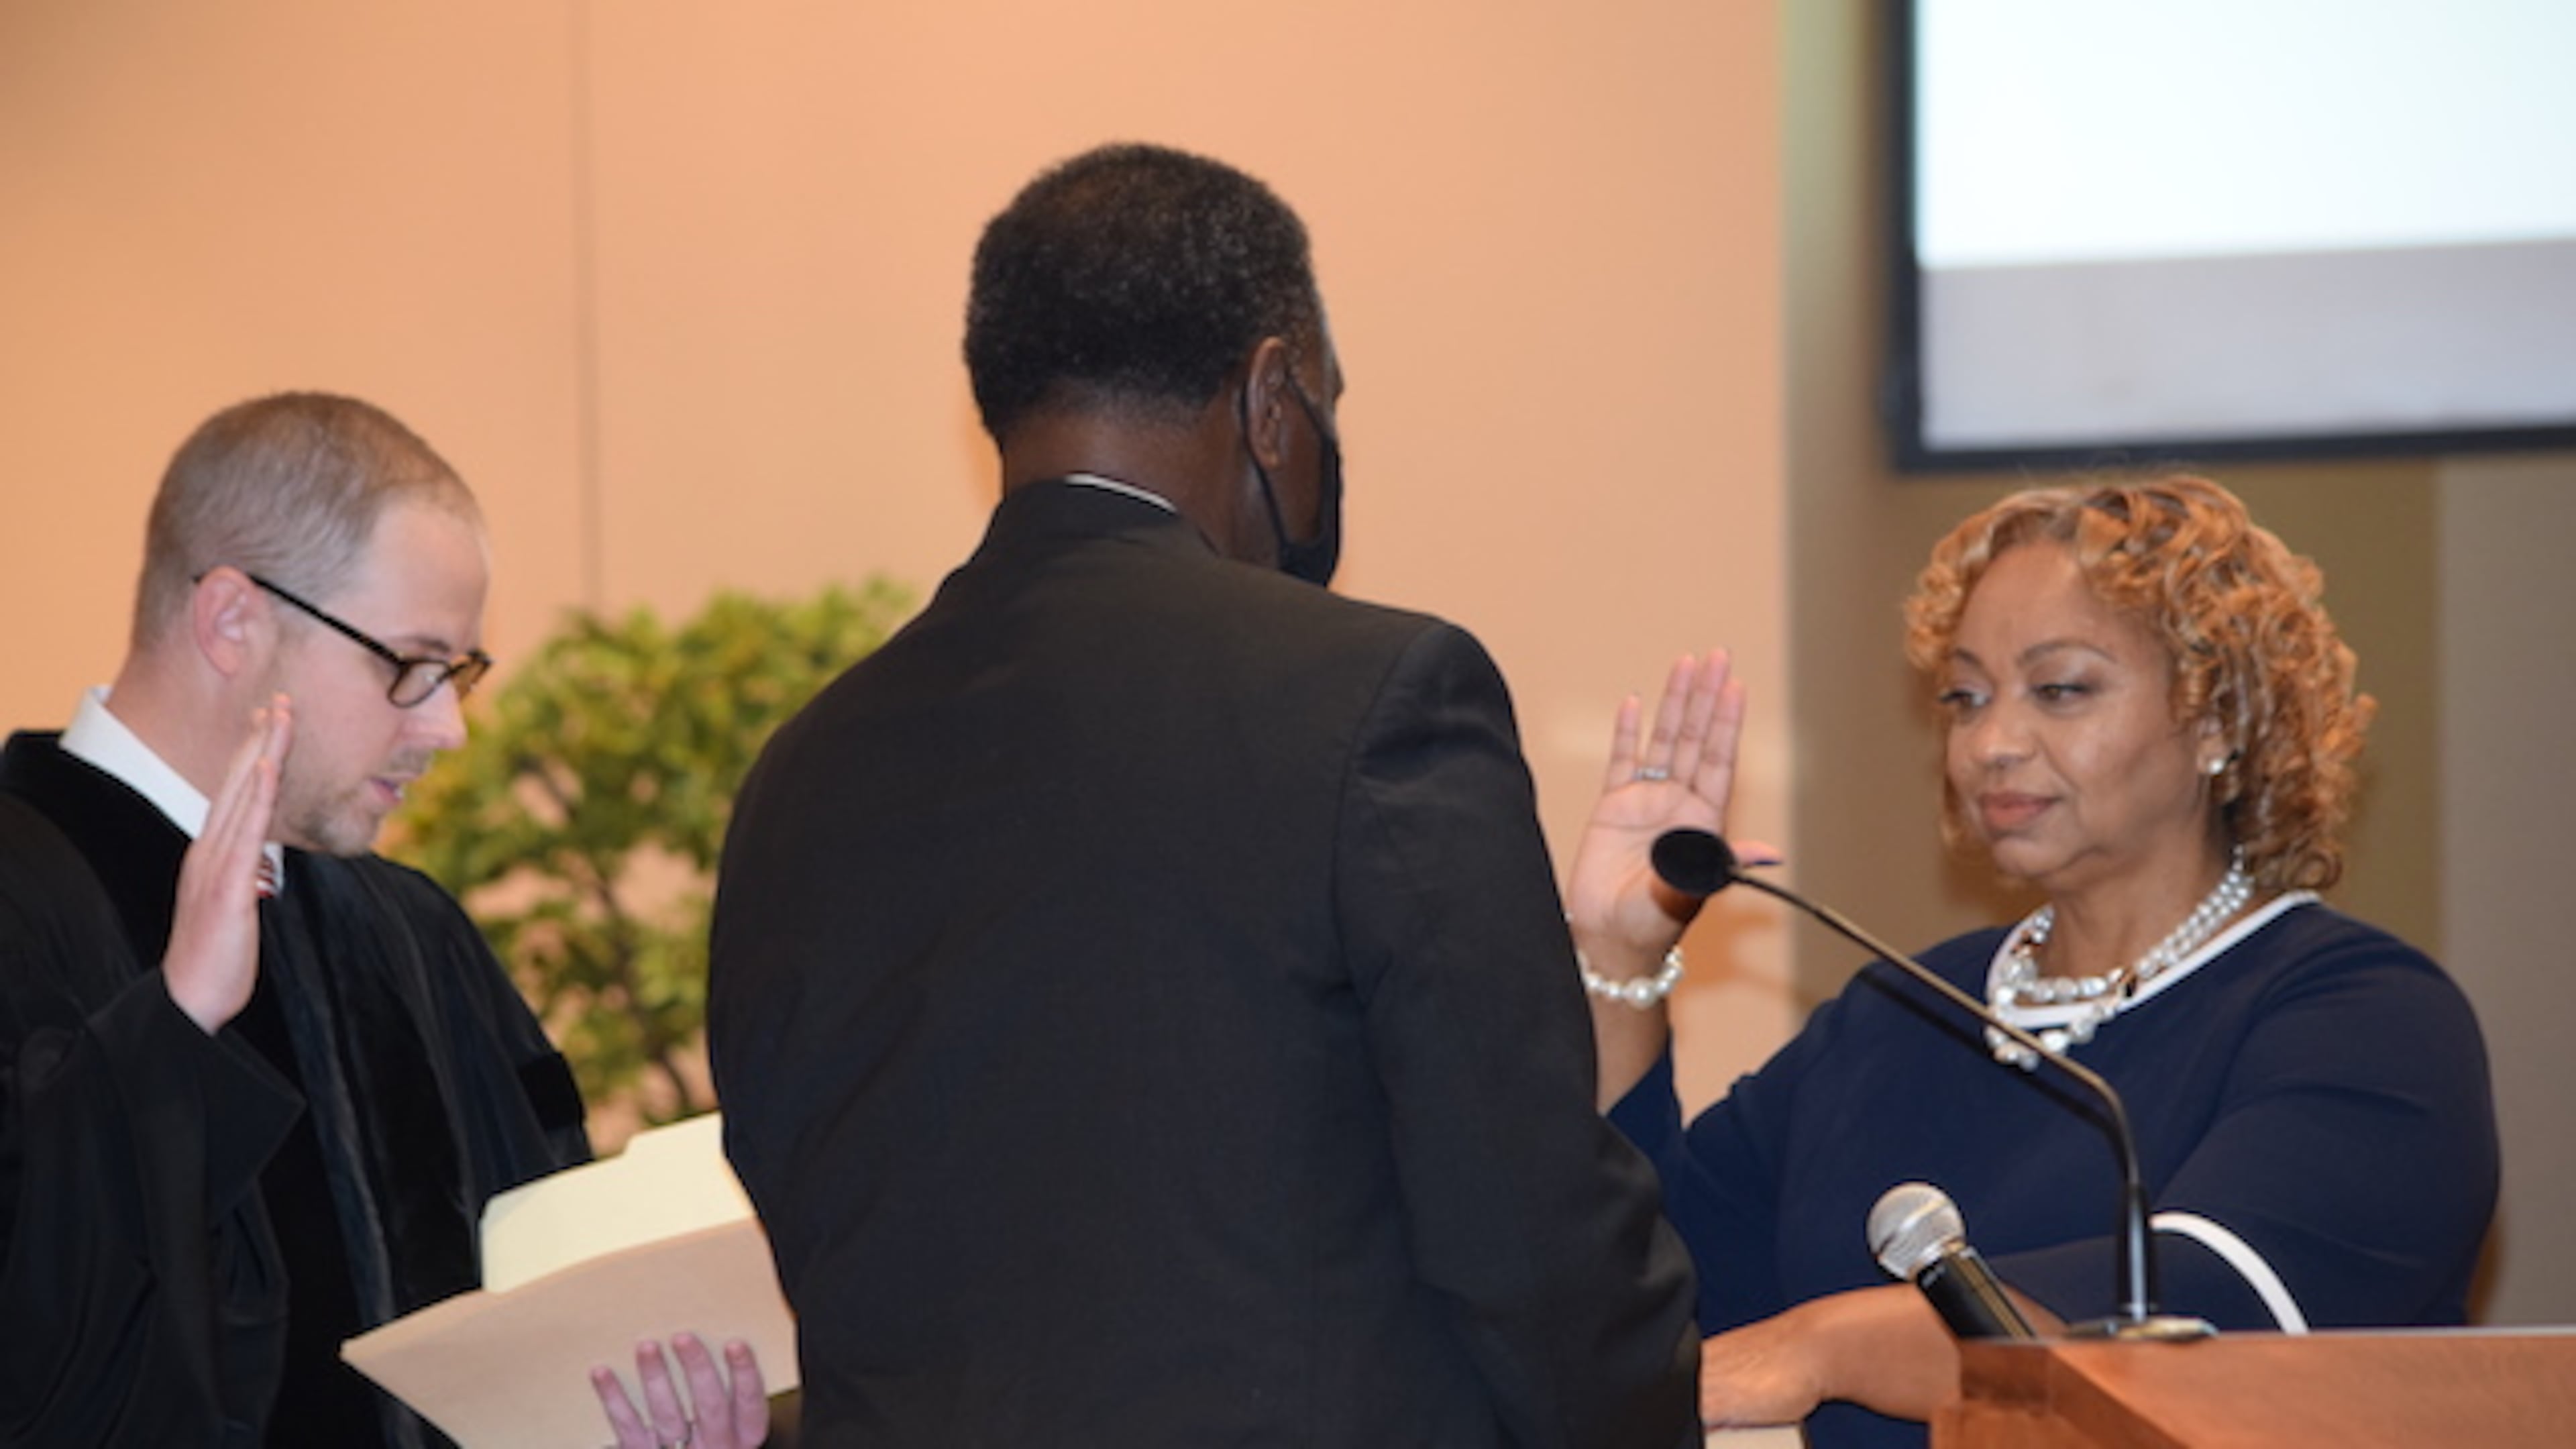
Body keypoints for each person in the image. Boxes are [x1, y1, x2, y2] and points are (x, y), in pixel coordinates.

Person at [706, 142, 1701, 1447]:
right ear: (1275, 395)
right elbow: (1527, 1227)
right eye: (1332, 406)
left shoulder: (802, 772)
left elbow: (810, 1213)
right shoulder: (1381, 696)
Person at [1582, 475, 2499, 1448]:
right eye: (1965, 697)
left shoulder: (2368, 1021)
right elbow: (1636, 1292)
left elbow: (2186, 1328)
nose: (1992, 743)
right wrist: (1616, 949)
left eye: (2060, 689)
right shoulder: (1903, 1011)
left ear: (2221, 717)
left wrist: (1824, 1348)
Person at [0, 393, 767, 1448]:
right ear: (231, 620)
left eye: (459, 676)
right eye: (408, 665)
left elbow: (531, 1317)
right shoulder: (24, 896)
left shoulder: (409, 936)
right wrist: (174, 1029)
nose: (448, 728)